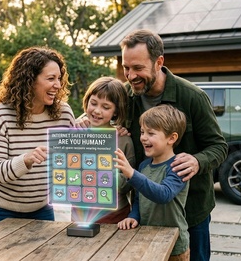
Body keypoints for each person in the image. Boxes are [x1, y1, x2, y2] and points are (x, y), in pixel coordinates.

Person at [118, 29, 228, 261]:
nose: (130, 75)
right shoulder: (125, 97)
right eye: (126, 68)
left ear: (159, 62)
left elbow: (218, 146)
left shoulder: (192, 97)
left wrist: (199, 160)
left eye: (138, 68)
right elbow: (99, 113)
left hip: (191, 210)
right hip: (146, 211)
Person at [0, 46, 75, 229]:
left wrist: (106, 129)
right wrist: (26, 159)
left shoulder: (63, 113)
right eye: (50, 79)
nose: (58, 85)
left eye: (59, 78)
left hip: (41, 208)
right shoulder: (1, 115)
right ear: (30, 80)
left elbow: (74, 157)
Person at [115, 104, 189, 260]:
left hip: (175, 247)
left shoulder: (178, 166)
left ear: (172, 138)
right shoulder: (144, 166)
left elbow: (164, 194)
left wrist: (131, 174)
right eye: (142, 132)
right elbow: (138, 199)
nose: (143, 137)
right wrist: (133, 216)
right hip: (148, 241)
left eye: (151, 133)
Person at [70, 76, 136, 224]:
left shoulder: (123, 140)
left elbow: (129, 182)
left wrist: (102, 173)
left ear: (116, 111)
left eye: (106, 107)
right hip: (80, 215)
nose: (97, 111)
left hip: (115, 216)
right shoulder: (75, 133)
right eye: (93, 103)